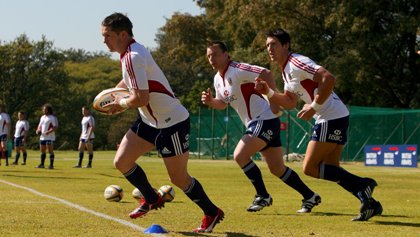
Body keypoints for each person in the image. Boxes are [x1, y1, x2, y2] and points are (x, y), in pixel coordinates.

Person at [100, 13, 223, 233]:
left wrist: (122, 103)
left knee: (178, 178)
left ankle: (212, 212)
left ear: (123, 34)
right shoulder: (129, 53)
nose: (104, 41)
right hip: (149, 121)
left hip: (171, 123)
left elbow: (141, 98)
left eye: (107, 36)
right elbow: (129, 85)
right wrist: (113, 97)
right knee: (122, 161)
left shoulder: (133, 56)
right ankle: (151, 198)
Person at [256, 28, 382, 221]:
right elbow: (290, 102)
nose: (269, 49)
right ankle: (370, 203)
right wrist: (269, 92)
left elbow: (329, 78)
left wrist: (313, 107)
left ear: (286, 45)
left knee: (310, 167)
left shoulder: (297, 62)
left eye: (273, 44)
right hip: (335, 115)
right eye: (267, 46)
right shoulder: (286, 71)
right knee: (332, 168)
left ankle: (363, 184)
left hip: (330, 117)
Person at [202, 41, 321, 213]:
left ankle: (262, 196)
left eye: (215, 54)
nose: (211, 59)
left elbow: (265, 72)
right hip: (261, 122)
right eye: (208, 56)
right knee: (277, 169)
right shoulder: (217, 79)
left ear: (226, 54)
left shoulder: (237, 69)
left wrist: (273, 100)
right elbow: (222, 103)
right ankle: (310, 196)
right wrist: (211, 101)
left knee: (240, 155)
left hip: (264, 120)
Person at [35, 104, 58, 169]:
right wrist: (38, 130)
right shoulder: (42, 117)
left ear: (48, 110)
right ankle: (42, 164)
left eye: (45, 109)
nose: (44, 110)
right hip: (42, 137)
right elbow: (40, 125)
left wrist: (48, 132)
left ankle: (51, 165)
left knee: (50, 151)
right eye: (43, 109)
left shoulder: (52, 117)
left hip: (49, 137)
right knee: (42, 150)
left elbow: (55, 127)